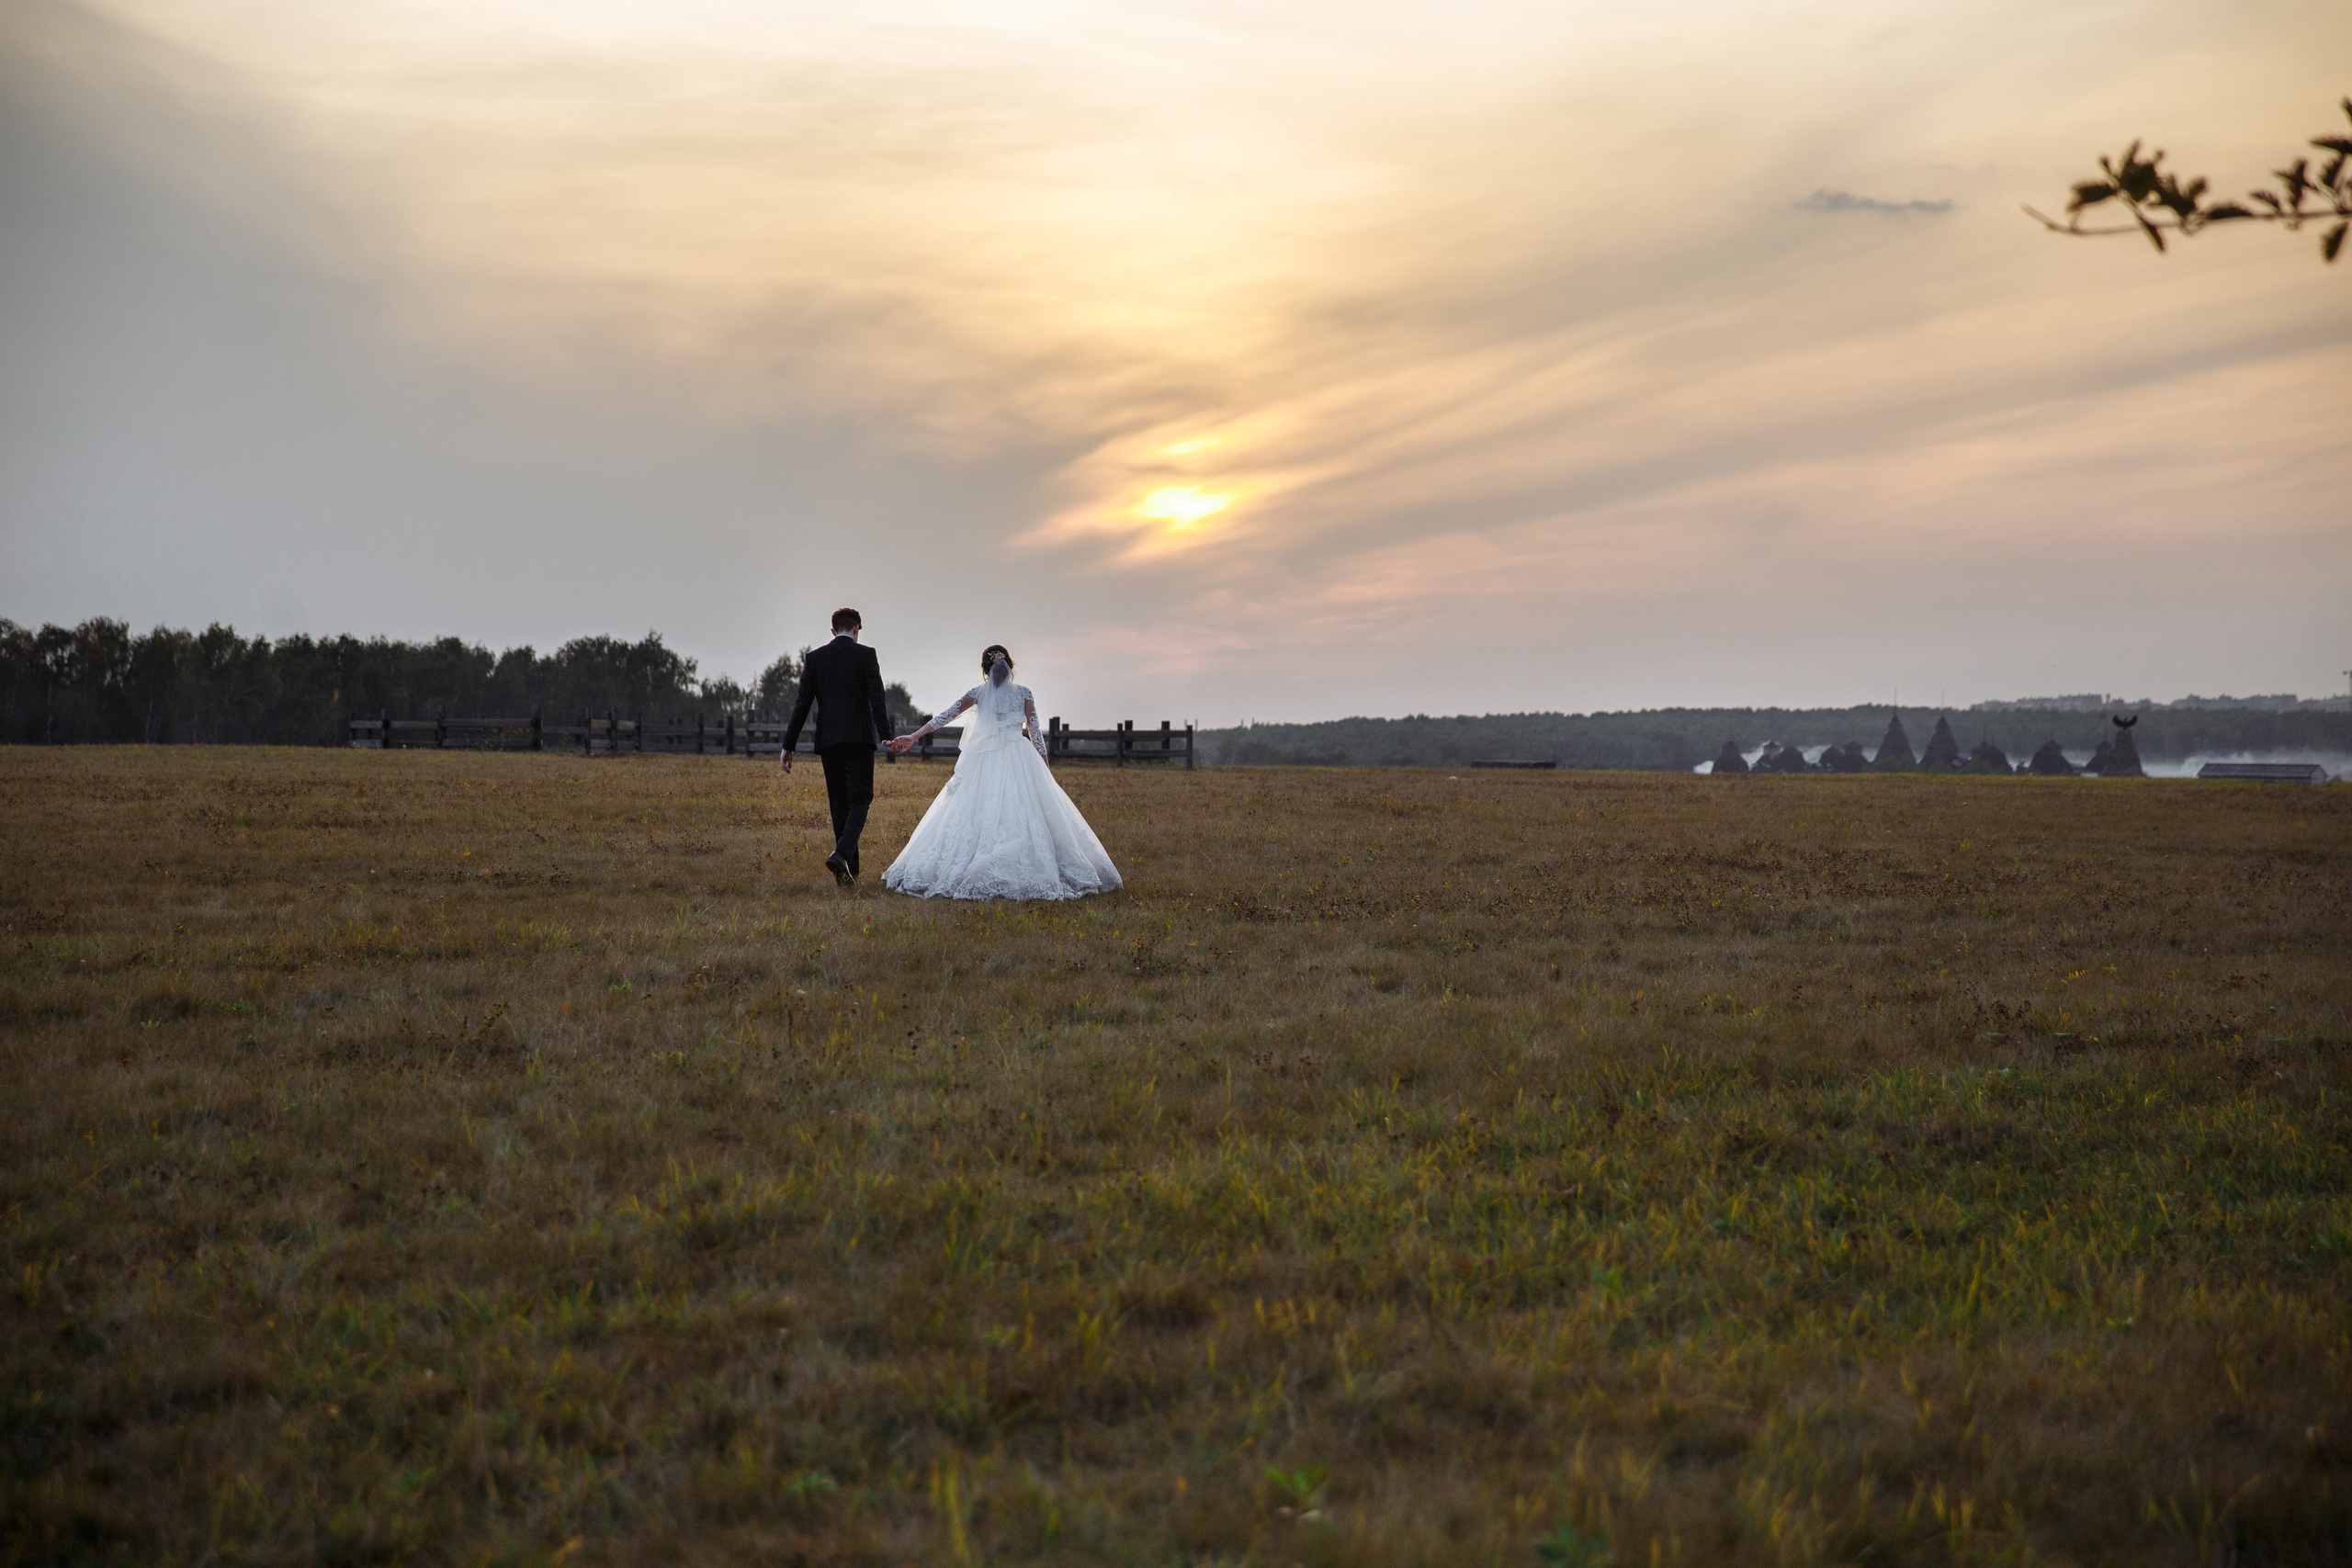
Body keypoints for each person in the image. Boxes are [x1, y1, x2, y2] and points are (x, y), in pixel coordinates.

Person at [882, 645, 1121, 900]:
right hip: (1019, 754)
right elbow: (1036, 735)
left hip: (984, 758)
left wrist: (914, 736)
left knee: (977, 810)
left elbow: (945, 716)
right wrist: (1045, 770)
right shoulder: (1024, 693)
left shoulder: (978, 693)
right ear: (1010, 667)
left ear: (985, 670)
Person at [781, 607, 892, 886]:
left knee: (838, 803)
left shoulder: (815, 658)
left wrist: (788, 745)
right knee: (861, 799)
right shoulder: (866, 655)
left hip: (829, 739)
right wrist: (886, 736)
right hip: (859, 738)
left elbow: (802, 703)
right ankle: (841, 855)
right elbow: (877, 698)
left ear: (833, 631)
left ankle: (848, 872)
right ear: (856, 628)